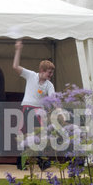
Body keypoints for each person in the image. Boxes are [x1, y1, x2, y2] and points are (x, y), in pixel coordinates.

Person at [13, 39, 55, 170]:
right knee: (25, 135)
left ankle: (42, 162)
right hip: (27, 108)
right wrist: (18, 50)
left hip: (39, 112)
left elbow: (53, 99)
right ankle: (21, 163)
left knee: (40, 136)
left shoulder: (49, 85)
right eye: (49, 72)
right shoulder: (31, 75)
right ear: (42, 70)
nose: (51, 75)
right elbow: (15, 67)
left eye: (52, 73)